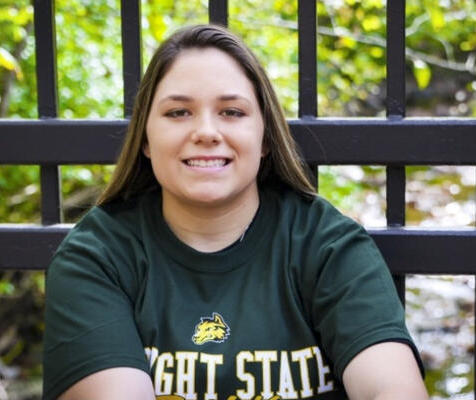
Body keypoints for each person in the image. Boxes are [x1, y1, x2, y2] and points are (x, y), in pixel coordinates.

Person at [42, 24, 428, 400]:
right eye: (178, 112)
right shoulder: (96, 257)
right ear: (145, 138)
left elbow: (392, 387)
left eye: (231, 112)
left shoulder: (328, 246)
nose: (206, 132)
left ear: (265, 138)